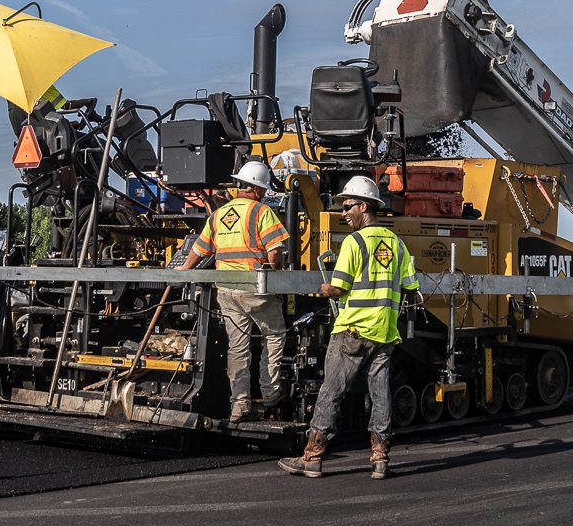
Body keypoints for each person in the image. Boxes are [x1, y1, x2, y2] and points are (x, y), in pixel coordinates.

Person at [279, 175, 419, 480]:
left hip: (353, 330)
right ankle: (380, 458)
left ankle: (312, 457)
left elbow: (339, 288)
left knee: (331, 392)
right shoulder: (397, 243)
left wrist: (322, 288)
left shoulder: (354, 242)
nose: (343, 212)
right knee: (380, 394)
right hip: (384, 332)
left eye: (348, 206)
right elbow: (410, 285)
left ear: (365, 206)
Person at [179, 159, 292, 422]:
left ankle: (239, 405)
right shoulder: (261, 212)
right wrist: (276, 280)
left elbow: (200, 249)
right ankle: (271, 395)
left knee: (238, 349)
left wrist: (183, 271)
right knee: (274, 337)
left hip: (227, 290)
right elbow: (275, 251)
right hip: (255, 289)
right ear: (258, 189)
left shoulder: (218, 215)